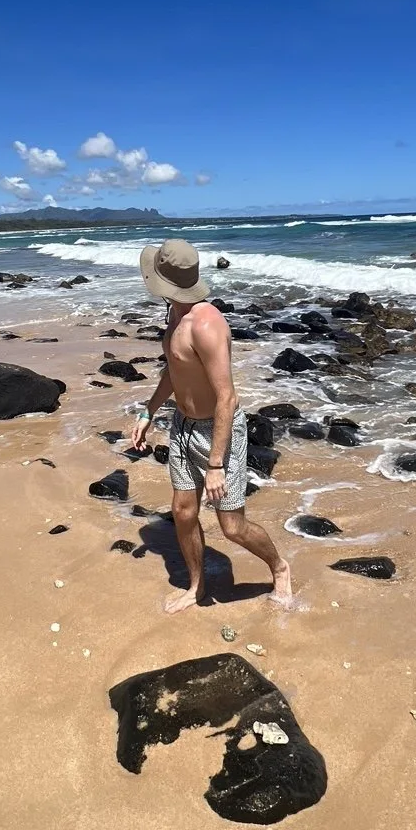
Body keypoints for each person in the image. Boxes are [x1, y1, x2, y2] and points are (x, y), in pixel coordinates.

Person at [131, 238, 293, 614]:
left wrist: (217, 463)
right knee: (183, 511)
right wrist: (148, 412)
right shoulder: (174, 313)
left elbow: (227, 398)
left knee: (232, 527)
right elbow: (174, 370)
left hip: (217, 432)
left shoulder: (207, 325)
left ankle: (279, 567)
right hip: (183, 424)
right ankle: (197, 585)